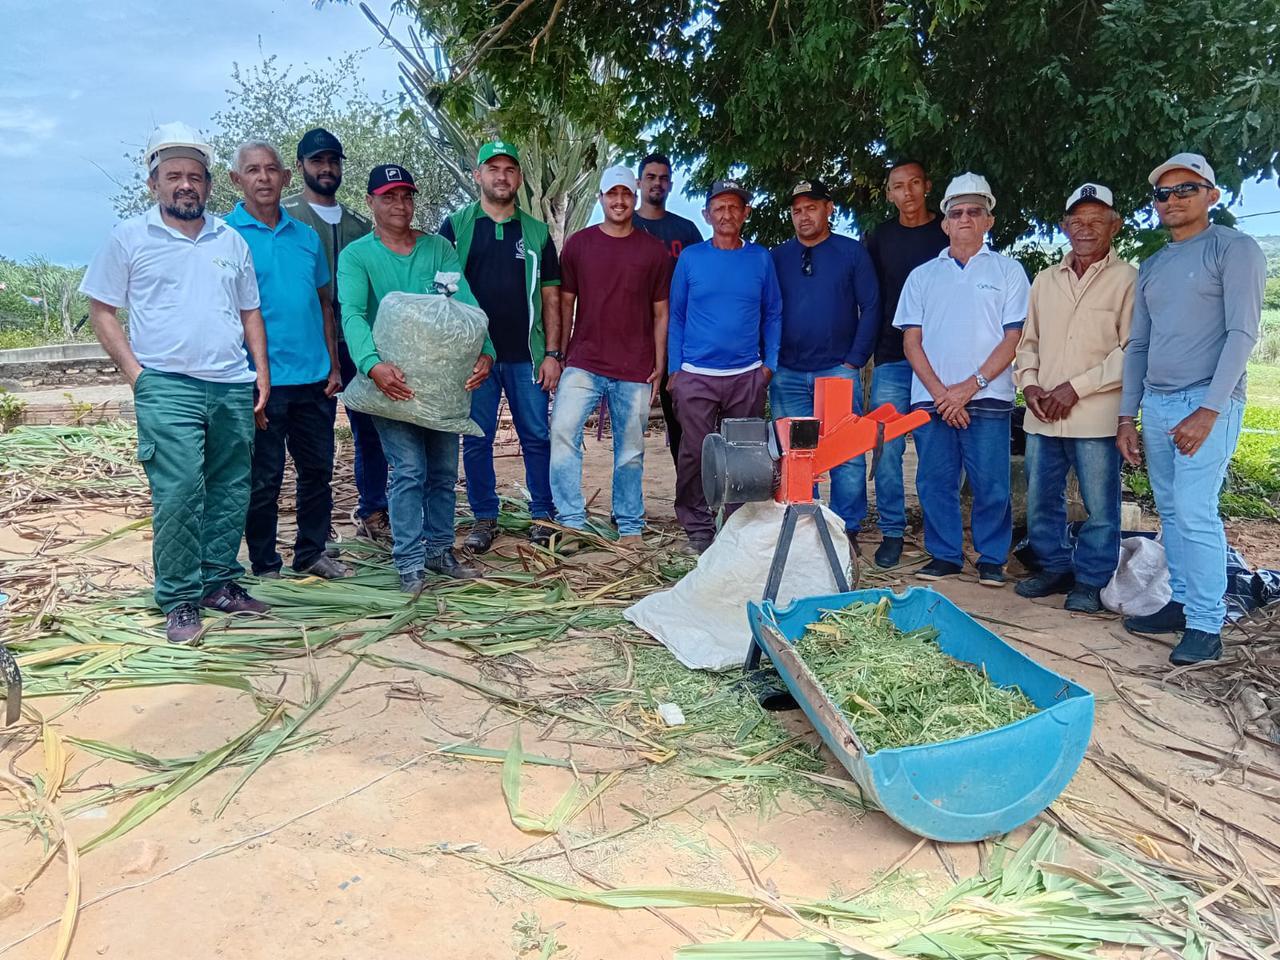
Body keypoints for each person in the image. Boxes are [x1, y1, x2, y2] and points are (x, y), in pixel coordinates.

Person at [80, 122, 270, 644]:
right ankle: (181, 599)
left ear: (209, 185)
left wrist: (261, 375)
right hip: (168, 386)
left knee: (232, 490)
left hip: (231, 384)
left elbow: (250, 312)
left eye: (194, 177)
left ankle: (219, 584)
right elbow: (101, 309)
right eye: (173, 176)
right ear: (153, 183)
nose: (184, 185)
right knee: (180, 492)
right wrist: (138, 377)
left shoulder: (230, 240)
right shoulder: (129, 238)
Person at [1118, 152, 1266, 664]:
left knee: (1198, 513)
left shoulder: (1234, 249)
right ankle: (1180, 604)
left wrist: (1209, 409)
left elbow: (1242, 333)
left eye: (1186, 190)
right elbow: (1139, 345)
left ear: (1211, 196)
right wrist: (1126, 415)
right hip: (1157, 404)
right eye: (1164, 193)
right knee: (1174, 512)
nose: (1173, 200)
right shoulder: (1155, 265)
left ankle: (1207, 625)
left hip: (1206, 401)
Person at [338, 164, 494, 591]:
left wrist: (487, 349)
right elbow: (351, 313)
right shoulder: (357, 256)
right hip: (391, 383)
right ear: (370, 202)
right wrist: (371, 365)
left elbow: (464, 303)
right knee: (408, 469)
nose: (399, 205)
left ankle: (440, 550)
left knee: (443, 471)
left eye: (406, 196)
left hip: (441, 384)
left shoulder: (438, 249)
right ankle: (409, 562)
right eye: (388, 196)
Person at [893, 172, 1029, 586]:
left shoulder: (1009, 272)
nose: (966, 218)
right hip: (931, 399)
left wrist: (969, 388)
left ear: (989, 221)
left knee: (991, 483)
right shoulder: (921, 276)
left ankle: (991, 558)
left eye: (976, 211)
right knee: (934, 481)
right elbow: (911, 341)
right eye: (957, 212)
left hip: (987, 398)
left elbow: (1014, 338)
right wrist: (940, 394)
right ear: (945, 223)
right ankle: (945, 554)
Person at [227, 140, 352, 582]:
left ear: (285, 177)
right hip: (259, 382)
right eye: (253, 170)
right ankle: (264, 564)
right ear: (236, 180)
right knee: (263, 478)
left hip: (314, 378)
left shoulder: (306, 236)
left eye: (271, 169)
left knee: (317, 470)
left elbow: (324, 303)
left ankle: (311, 552)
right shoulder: (225, 236)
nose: (263, 178)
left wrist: (334, 365)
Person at [1014, 183, 1135, 613]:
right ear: (1064, 226)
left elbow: (1131, 351)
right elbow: (1029, 342)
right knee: (1041, 498)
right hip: (1043, 412)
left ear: (1114, 226)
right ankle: (1053, 566)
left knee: (1100, 505)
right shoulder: (1045, 280)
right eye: (1077, 221)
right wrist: (1028, 384)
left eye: (1096, 220)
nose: (1085, 229)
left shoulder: (1128, 280)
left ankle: (1090, 581)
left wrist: (1075, 388)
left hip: (1096, 415)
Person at [440, 140, 562, 551]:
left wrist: (553, 353)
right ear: (478, 175)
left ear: (519, 178)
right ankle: (484, 518)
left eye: (509, 169)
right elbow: (442, 293)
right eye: (493, 168)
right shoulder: (455, 227)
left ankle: (543, 514)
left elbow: (551, 296)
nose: (501, 176)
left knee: (536, 435)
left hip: (526, 356)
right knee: (476, 437)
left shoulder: (537, 232)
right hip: (474, 357)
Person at [550, 166, 671, 545]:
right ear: (601, 198)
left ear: (634, 198)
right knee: (563, 432)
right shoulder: (579, 245)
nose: (619, 201)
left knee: (631, 450)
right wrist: (561, 353)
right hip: (584, 362)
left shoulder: (653, 251)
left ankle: (630, 525)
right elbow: (565, 303)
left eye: (625, 194)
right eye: (611, 194)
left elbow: (661, 312)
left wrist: (660, 364)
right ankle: (571, 520)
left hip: (635, 366)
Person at [282, 129, 388, 544]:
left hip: (360, 342)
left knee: (372, 431)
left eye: (333, 161)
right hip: (309, 344)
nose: (327, 169)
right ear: (301, 167)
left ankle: (374, 511)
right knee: (314, 440)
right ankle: (314, 527)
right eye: (317, 161)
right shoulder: (287, 218)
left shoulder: (362, 225)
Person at [667, 178, 782, 553]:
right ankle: (697, 526)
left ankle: (735, 528)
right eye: (719, 207)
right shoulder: (691, 258)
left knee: (744, 454)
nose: (727, 213)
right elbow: (678, 316)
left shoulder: (760, 258)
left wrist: (769, 366)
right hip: (696, 373)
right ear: (706, 214)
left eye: (734, 207)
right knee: (695, 452)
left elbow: (773, 314)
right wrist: (675, 370)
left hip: (746, 374)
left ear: (746, 213)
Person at [769, 178, 880, 548]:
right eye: (797, 210)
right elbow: (766, 310)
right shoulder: (778, 257)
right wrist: (770, 360)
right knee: (796, 454)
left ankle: (846, 528)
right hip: (788, 373)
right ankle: (803, 524)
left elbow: (872, 307)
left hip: (838, 370)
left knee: (846, 452)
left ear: (828, 208)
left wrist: (854, 361)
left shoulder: (851, 253)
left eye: (811, 207)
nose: (804, 216)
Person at [865, 160, 949, 568]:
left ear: (927, 186)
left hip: (942, 362)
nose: (908, 192)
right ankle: (893, 532)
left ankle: (940, 540)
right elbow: (872, 296)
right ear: (890, 194)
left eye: (915, 183)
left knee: (936, 452)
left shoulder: (947, 232)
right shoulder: (880, 237)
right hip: (893, 359)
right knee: (886, 448)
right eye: (899, 186)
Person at [633, 152, 705, 469]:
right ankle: (625, 507)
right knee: (630, 424)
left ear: (671, 184)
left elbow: (705, 281)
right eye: (651, 177)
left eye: (663, 178)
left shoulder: (686, 231)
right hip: (633, 339)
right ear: (639, 183)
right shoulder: (625, 225)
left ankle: (689, 502)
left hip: (679, 341)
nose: (657, 183)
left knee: (682, 423)